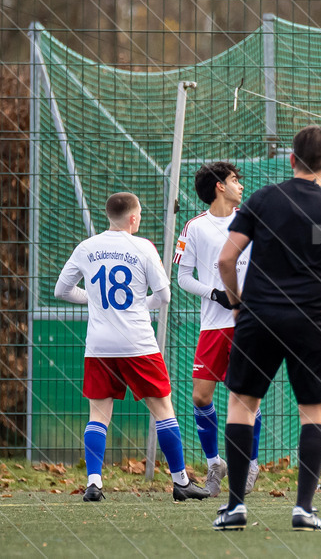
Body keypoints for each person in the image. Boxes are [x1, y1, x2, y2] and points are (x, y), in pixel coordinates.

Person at [212, 126, 321, 531]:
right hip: (309, 321)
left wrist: (238, 305)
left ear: (292, 160)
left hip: (259, 319)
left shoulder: (263, 199)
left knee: (242, 405)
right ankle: (303, 509)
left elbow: (225, 260)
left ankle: (236, 506)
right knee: (317, 412)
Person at [54, 192, 209, 503]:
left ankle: (94, 483)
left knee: (98, 415)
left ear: (109, 216)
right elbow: (164, 296)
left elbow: (62, 290)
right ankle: (180, 482)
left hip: (99, 347)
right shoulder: (142, 247)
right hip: (138, 344)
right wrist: (141, 306)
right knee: (163, 411)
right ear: (134, 218)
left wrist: (93, 301)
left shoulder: (87, 247)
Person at [174, 162, 260, 497]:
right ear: (219, 187)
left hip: (247, 323)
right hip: (212, 325)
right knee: (201, 396)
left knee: (246, 396)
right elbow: (182, 278)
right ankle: (214, 464)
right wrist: (215, 293)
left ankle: (251, 464)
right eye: (235, 180)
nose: (241, 185)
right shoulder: (195, 227)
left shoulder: (250, 220)